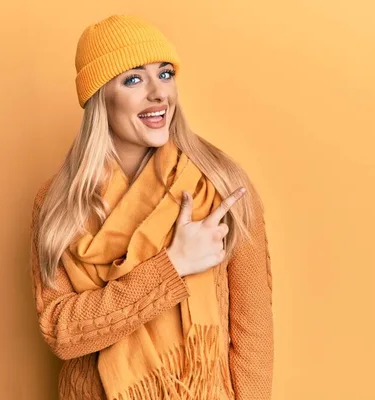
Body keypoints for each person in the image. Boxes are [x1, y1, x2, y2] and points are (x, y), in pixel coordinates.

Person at [30, 14, 273, 400]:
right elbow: (63, 331)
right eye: (133, 79)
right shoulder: (59, 203)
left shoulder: (220, 183)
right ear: (100, 98)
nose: (158, 93)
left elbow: (253, 333)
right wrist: (172, 267)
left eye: (165, 74)